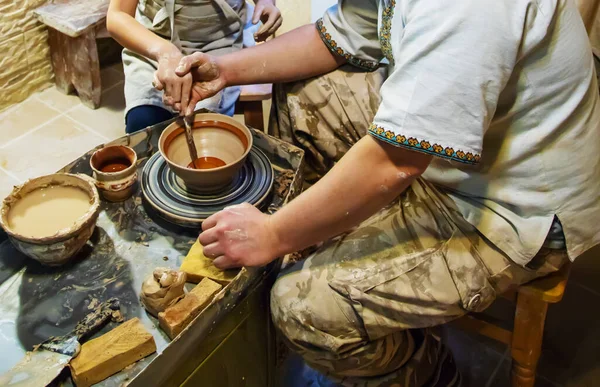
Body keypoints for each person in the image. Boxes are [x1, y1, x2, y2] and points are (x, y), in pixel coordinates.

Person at [173, 0, 600, 385]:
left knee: (300, 309)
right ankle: (335, 252)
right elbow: (334, 36)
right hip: (467, 150)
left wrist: (271, 234)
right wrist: (226, 69)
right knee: (306, 92)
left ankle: (431, 372)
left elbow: (397, 162)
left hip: (516, 206)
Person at [106, 0, 282, 133]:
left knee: (204, 130)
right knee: (144, 124)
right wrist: (163, 51)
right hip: (155, 42)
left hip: (220, 44)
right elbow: (117, 16)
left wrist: (265, 3)